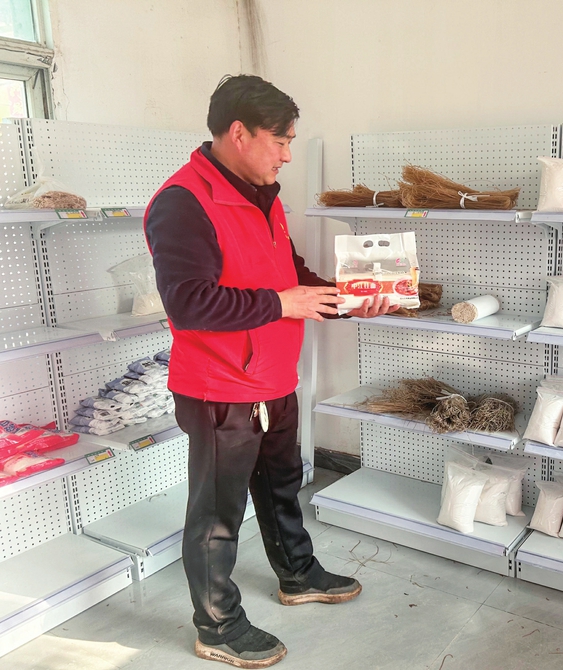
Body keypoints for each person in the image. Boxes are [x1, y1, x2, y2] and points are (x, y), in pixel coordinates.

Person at [144, 74, 396, 668]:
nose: (286, 154)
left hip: (275, 376)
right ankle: (217, 626)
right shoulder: (183, 202)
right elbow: (189, 303)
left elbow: (289, 274)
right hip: (221, 388)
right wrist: (284, 303)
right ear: (239, 133)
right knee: (217, 517)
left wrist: (346, 299)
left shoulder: (265, 194)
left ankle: (298, 574)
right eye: (279, 141)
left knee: (283, 489)